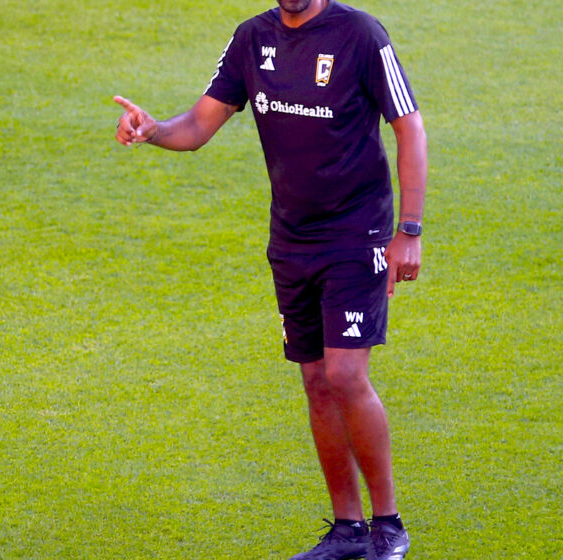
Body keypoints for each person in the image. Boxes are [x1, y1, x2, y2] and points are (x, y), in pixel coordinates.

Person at [113, 1, 425, 558]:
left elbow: (410, 126)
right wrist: (153, 130)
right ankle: (348, 530)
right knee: (315, 379)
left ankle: (389, 525)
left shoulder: (360, 35)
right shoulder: (252, 39)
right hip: (291, 239)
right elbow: (199, 125)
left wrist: (409, 229)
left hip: (358, 232)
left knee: (346, 372)